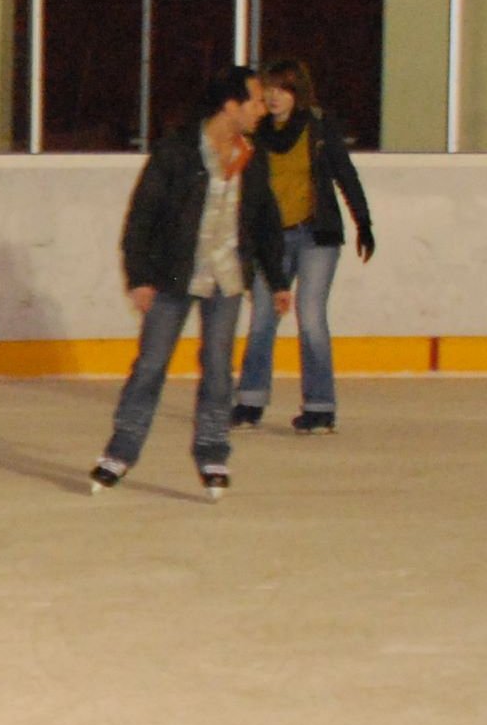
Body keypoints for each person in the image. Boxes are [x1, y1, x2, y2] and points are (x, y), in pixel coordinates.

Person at [90, 64, 288, 501]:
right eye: (255, 100)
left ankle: (213, 451)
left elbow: (265, 222)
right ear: (230, 104)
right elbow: (142, 217)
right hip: (172, 276)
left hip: (227, 279)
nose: (262, 108)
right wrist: (139, 277)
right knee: (150, 365)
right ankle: (120, 451)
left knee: (218, 368)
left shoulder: (251, 159)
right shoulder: (176, 153)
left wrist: (277, 280)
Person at [232, 58, 374, 435]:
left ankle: (320, 406)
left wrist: (364, 223)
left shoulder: (319, 126)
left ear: (298, 93)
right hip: (270, 239)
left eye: (284, 89)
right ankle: (249, 400)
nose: (275, 96)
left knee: (311, 317)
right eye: (269, 88)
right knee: (263, 315)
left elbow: (345, 173)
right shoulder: (256, 131)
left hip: (316, 235)